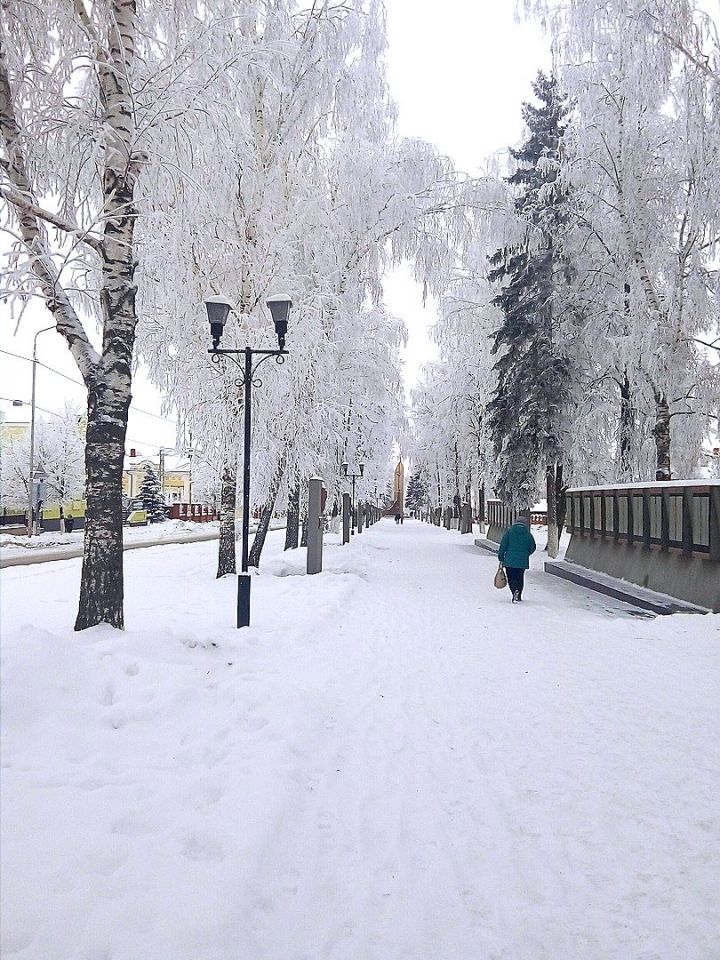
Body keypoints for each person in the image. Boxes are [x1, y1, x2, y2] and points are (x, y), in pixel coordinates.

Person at [497, 512, 536, 602]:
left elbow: (503, 545)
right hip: (522, 560)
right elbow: (532, 547)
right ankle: (518, 595)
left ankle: (514, 590)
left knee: (511, 577)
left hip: (510, 560)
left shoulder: (509, 532)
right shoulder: (528, 535)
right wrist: (526, 554)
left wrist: (501, 557)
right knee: (520, 577)